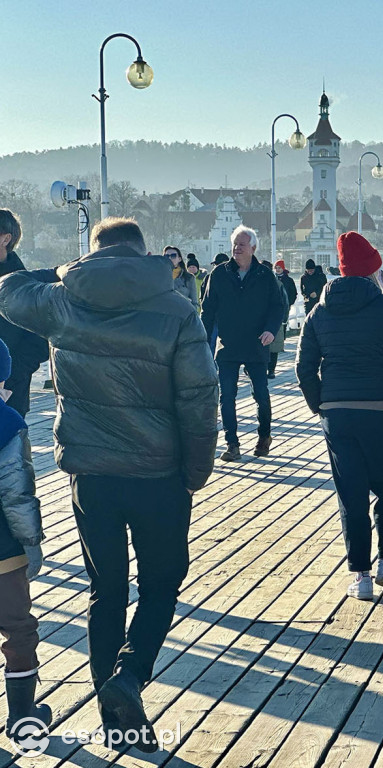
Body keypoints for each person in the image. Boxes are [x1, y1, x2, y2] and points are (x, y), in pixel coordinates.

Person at [0, 216, 218, 752]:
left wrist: (72, 272)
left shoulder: (62, 301)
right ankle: (131, 673)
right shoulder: (176, 309)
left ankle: (112, 714)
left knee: (107, 591)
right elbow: (200, 397)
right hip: (160, 473)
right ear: (142, 253)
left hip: (91, 474)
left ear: (94, 254)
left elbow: (7, 290)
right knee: (164, 580)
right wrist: (197, 470)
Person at [297, 232, 383, 600]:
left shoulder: (319, 311)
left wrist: (321, 404)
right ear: (373, 271)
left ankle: (360, 576)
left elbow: (304, 366)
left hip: (339, 413)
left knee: (351, 493)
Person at [0, 338, 51, 750]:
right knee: (17, 630)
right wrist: (31, 542)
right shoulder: (7, 422)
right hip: (2, 551)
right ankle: (21, 716)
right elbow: (16, 493)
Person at [201, 225, 285, 461]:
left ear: (253, 248)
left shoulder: (264, 275)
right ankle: (232, 443)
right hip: (227, 345)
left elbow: (277, 307)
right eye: (235, 244)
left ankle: (264, 435)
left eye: (242, 245)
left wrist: (270, 330)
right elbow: (207, 311)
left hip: (256, 343)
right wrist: (203, 341)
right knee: (226, 395)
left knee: (261, 393)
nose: (237, 249)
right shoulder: (219, 274)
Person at [0, 210, 49, 418]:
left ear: (5, 238)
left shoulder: (25, 286)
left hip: (9, 398)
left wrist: (9, 375)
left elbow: (39, 343)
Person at [268, 260, 297, 378]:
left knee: (274, 344)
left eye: (280, 268)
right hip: (267, 318)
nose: (278, 269)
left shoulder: (286, 281)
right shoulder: (260, 283)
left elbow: (291, 294)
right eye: (276, 268)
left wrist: (289, 304)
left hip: (279, 314)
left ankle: (271, 370)